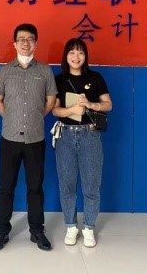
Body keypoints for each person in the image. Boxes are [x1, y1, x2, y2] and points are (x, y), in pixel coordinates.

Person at [0, 23, 57, 251]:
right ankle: (1, 231)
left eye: (30, 39)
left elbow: (50, 100)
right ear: (15, 43)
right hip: (9, 138)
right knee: (5, 187)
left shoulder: (45, 71)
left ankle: (37, 230)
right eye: (21, 39)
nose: (25, 43)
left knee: (35, 187)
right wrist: (11, 118)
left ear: (36, 43)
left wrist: (36, 117)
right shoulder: (3, 71)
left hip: (35, 139)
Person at [51, 38, 112, 248]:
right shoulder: (59, 79)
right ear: (66, 56)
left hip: (90, 135)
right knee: (67, 184)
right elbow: (55, 110)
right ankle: (71, 226)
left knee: (91, 185)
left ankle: (88, 227)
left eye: (80, 53)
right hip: (65, 136)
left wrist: (91, 105)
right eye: (72, 52)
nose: (76, 57)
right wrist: (72, 110)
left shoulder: (95, 77)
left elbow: (108, 104)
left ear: (85, 56)